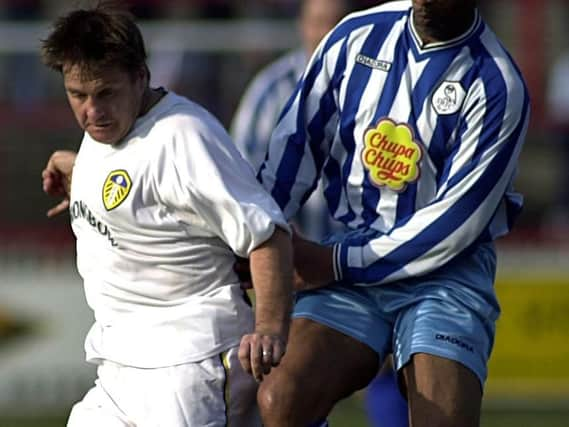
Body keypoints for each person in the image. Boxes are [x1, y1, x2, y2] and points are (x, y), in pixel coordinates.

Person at [255, 1, 530, 427]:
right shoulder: (354, 36)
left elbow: (452, 227)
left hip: (446, 275)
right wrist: (261, 235)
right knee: (280, 398)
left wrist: (330, 262)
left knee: (442, 418)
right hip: (351, 251)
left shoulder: (498, 83)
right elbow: (296, 145)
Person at [40, 4, 293, 427]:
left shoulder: (185, 138)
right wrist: (80, 175)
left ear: (141, 77)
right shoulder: (105, 133)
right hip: (118, 366)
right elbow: (136, 182)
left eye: (105, 93)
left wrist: (269, 329)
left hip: (190, 366)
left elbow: (267, 235)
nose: (91, 111)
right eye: (77, 95)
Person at [231, 0, 408, 425]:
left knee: (395, 374)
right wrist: (286, 259)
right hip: (296, 265)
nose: (327, 36)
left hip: (371, 263)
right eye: (318, 24)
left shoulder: (391, 84)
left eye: (336, 24)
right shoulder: (271, 90)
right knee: (288, 391)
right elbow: (249, 193)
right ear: (301, 26)